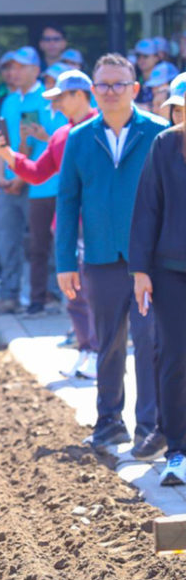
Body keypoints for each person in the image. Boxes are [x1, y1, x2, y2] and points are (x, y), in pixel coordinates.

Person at [56, 53, 167, 456]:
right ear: (93, 91)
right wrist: (65, 262)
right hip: (100, 257)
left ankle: (151, 429)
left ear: (135, 89)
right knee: (108, 345)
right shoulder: (79, 138)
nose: (110, 91)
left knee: (150, 340)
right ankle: (108, 424)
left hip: (148, 261)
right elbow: (67, 202)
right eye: (102, 84)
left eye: (119, 84)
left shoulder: (159, 132)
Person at [0, 69, 99, 376]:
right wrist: (9, 155)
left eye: (60, 98)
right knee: (74, 291)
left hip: (98, 226)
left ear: (80, 95)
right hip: (68, 224)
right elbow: (38, 172)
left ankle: (98, 353)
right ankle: (86, 350)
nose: (54, 104)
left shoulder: (101, 128)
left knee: (95, 291)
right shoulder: (63, 134)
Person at [129, 76, 186, 483]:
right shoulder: (165, 145)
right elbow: (147, 208)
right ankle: (178, 450)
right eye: (177, 106)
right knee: (174, 360)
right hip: (170, 271)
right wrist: (140, 271)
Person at [0, 46, 45, 315]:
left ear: (35, 69)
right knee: (6, 241)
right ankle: (9, 294)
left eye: (19, 66)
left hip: (35, 184)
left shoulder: (43, 99)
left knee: (40, 241)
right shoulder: (9, 101)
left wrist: (20, 178)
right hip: (8, 184)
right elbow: (2, 141)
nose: (13, 72)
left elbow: (35, 146)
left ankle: (48, 295)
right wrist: (1, 176)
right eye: (10, 67)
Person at [134, 39, 160, 110]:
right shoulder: (134, 78)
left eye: (145, 56)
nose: (141, 59)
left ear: (156, 57)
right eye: (138, 56)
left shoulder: (163, 80)